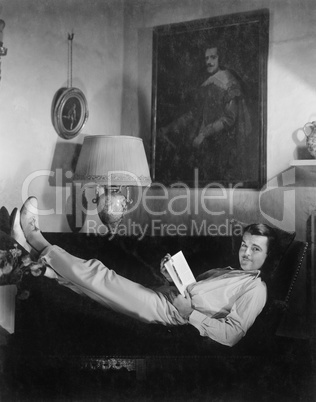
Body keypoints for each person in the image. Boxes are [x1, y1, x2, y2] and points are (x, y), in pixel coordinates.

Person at [12, 196, 277, 347]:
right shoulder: (230, 272)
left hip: (174, 315)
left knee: (101, 276)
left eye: (256, 249)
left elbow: (232, 336)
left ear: (268, 255)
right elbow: (193, 291)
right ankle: (31, 258)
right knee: (95, 291)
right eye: (244, 245)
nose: (246, 253)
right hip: (166, 297)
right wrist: (169, 274)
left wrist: (189, 313)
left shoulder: (256, 289)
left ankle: (37, 239)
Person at [158, 44, 252, 182]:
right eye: (206, 58)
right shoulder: (206, 83)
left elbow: (229, 118)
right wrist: (169, 128)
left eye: (213, 57)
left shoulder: (229, 82)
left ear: (221, 58)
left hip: (222, 147)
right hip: (202, 146)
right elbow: (194, 113)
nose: (209, 62)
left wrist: (203, 134)